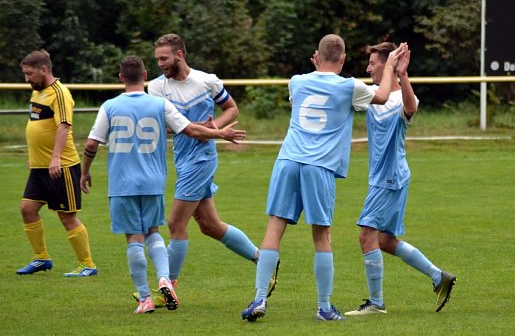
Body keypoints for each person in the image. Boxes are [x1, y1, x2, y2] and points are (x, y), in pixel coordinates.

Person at [241, 34, 406, 322]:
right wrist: (390, 65)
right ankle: (324, 307)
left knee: (273, 229)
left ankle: (259, 298)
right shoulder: (349, 86)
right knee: (321, 235)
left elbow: (309, 92)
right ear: (342, 59)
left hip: (288, 160)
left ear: (317, 55)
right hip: (319, 166)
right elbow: (381, 97)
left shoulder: (297, 81)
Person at [80, 56, 246, 314]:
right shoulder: (160, 104)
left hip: (123, 184)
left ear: (120, 77)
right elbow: (190, 130)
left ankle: (145, 298)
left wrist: (84, 172)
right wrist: (219, 134)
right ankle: (165, 280)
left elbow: (92, 144)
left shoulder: (110, 106)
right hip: (153, 182)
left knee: (134, 238)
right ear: (145, 75)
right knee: (154, 233)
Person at [147, 34, 269, 292]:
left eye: (164, 58)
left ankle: (167, 287)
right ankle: (263, 260)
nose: (160, 64)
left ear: (180, 54)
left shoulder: (207, 81)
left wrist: (215, 128)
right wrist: (200, 129)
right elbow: (166, 126)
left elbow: (232, 110)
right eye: (158, 59)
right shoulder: (157, 87)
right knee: (210, 226)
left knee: (175, 224)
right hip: (182, 158)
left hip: (201, 160)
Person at [343, 43, 456, 317]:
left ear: (386, 64)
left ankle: (376, 303)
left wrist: (402, 74)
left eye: (372, 63)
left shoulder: (401, 98)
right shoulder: (373, 95)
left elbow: (410, 106)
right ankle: (438, 276)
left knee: (366, 235)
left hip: (390, 176)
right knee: (385, 240)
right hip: (388, 176)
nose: (368, 68)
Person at [17, 50, 97, 277]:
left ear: (44, 70)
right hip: (39, 167)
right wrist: (34, 157)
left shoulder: (60, 93)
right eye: (25, 74)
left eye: (30, 74)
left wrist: (55, 158)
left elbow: (64, 126)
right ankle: (41, 258)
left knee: (66, 216)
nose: (27, 79)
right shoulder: (37, 93)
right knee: (27, 209)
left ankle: (87, 265)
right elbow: (37, 127)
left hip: (61, 167)